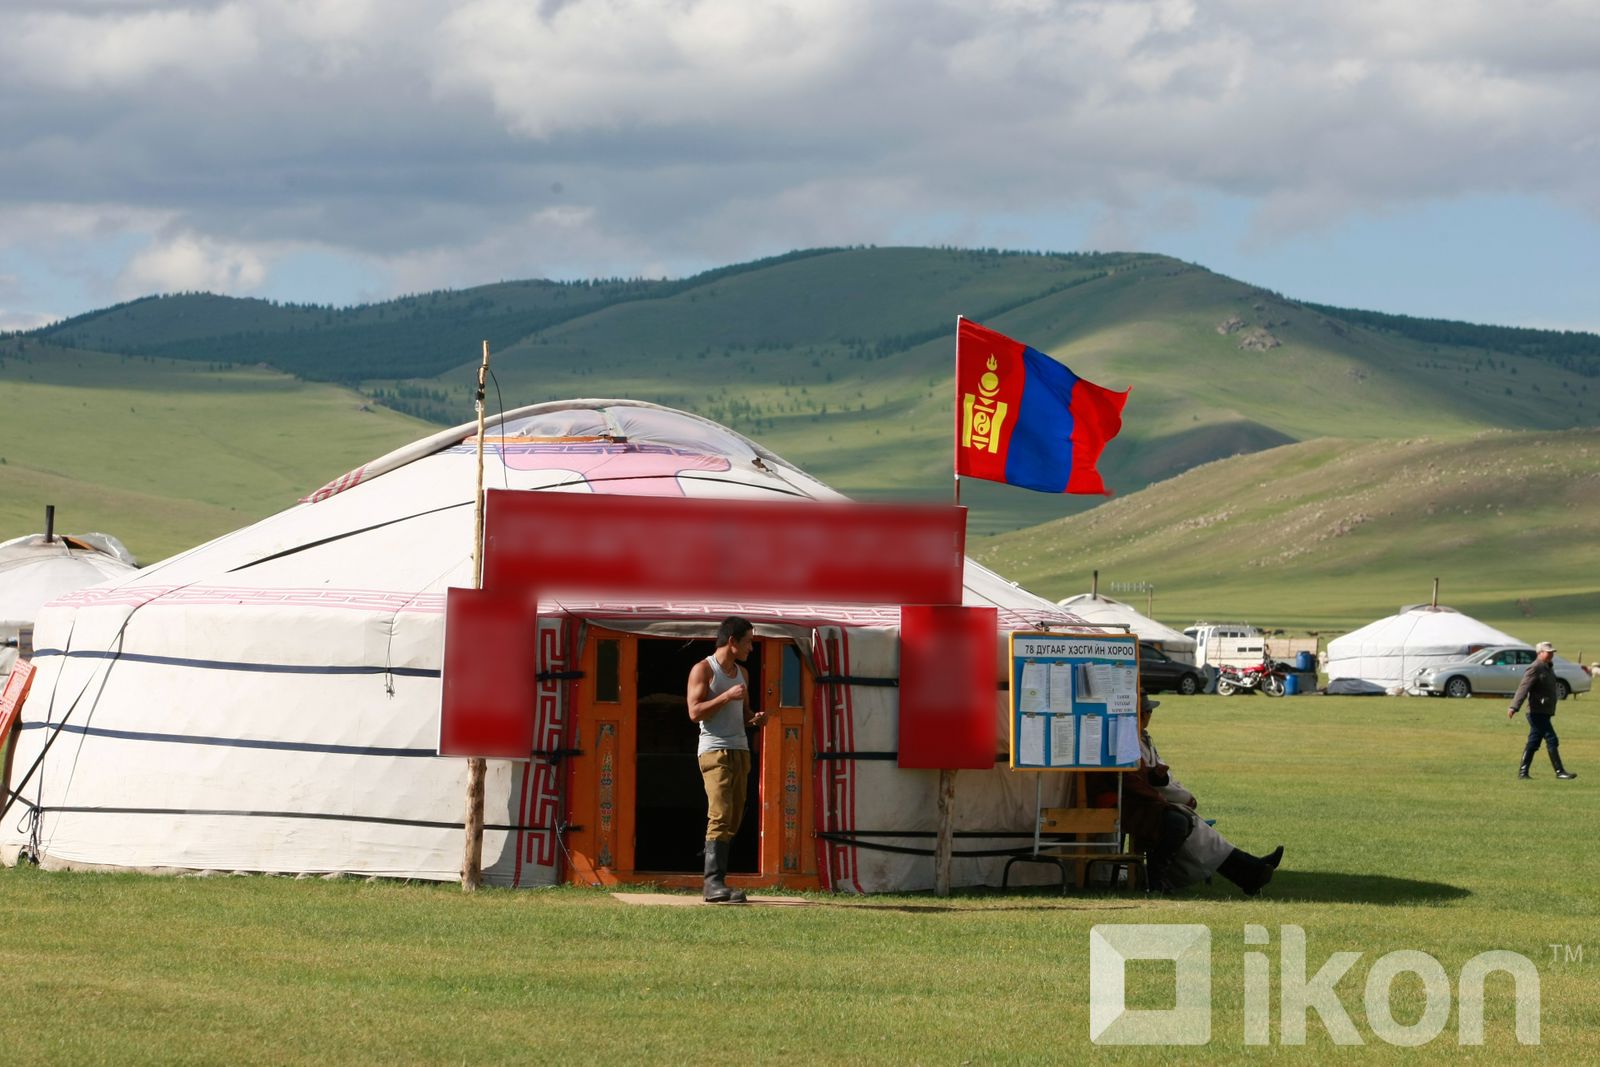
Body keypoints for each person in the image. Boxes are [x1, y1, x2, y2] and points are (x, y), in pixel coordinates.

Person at [1121, 695, 1284, 895]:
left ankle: (1251, 871)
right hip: (1151, 804)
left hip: (1161, 802)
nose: (1149, 716)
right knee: (1204, 838)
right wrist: (1186, 797)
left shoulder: (1145, 740)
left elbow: (1167, 776)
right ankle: (1251, 870)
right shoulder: (1133, 744)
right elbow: (1154, 783)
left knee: (1206, 838)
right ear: (1143, 715)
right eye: (1148, 712)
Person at [686, 616, 767, 902]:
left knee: (732, 817)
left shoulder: (742, 673)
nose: (751, 648)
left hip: (740, 749)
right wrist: (726, 696)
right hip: (713, 749)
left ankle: (719, 881)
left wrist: (754, 719)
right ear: (732, 642)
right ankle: (713, 885)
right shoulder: (704, 670)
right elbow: (694, 712)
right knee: (720, 813)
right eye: (748, 642)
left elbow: (743, 713)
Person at [1509, 641, 1577, 780]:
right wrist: (1514, 706)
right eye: (1548, 652)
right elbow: (1523, 687)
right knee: (1552, 739)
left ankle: (1523, 773)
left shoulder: (1548, 667)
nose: (1551, 654)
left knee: (1534, 742)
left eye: (1552, 652)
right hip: (1536, 712)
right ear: (1539, 653)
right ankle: (1560, 772)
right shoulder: (1535, 667)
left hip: (1544, 711)